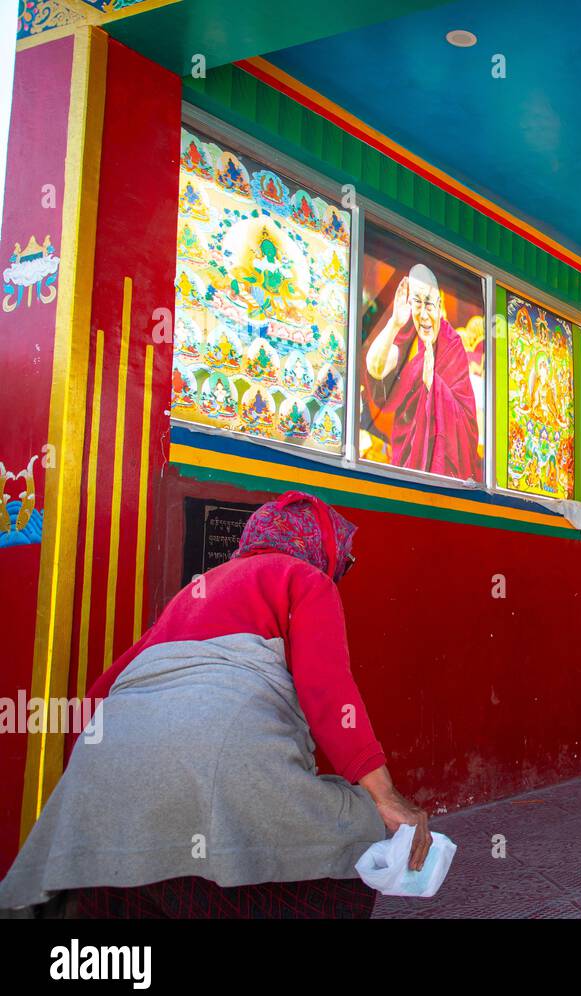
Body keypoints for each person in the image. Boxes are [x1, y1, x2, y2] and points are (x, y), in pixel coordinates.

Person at [0, 491, 430, 917]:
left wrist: (95, 778)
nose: (342, 570)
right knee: (357, 825)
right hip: (222, 760)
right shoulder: (304, 578)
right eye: (345, 561)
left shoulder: (192, 593)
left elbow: (101, 693)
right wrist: (387, 797)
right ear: (318, 547)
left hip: (106, 762)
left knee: (138, 858)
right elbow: (329, 691)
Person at [362, 264, 479, 478]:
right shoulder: (407, 336)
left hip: (442, 464)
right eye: (417, 303)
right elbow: (376, 367)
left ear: (439, 306)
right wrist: (394, 323)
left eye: (429, 304)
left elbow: (468, 423)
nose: (424, 314)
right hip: (406, 454)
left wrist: (434, 385)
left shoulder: (452, 345)